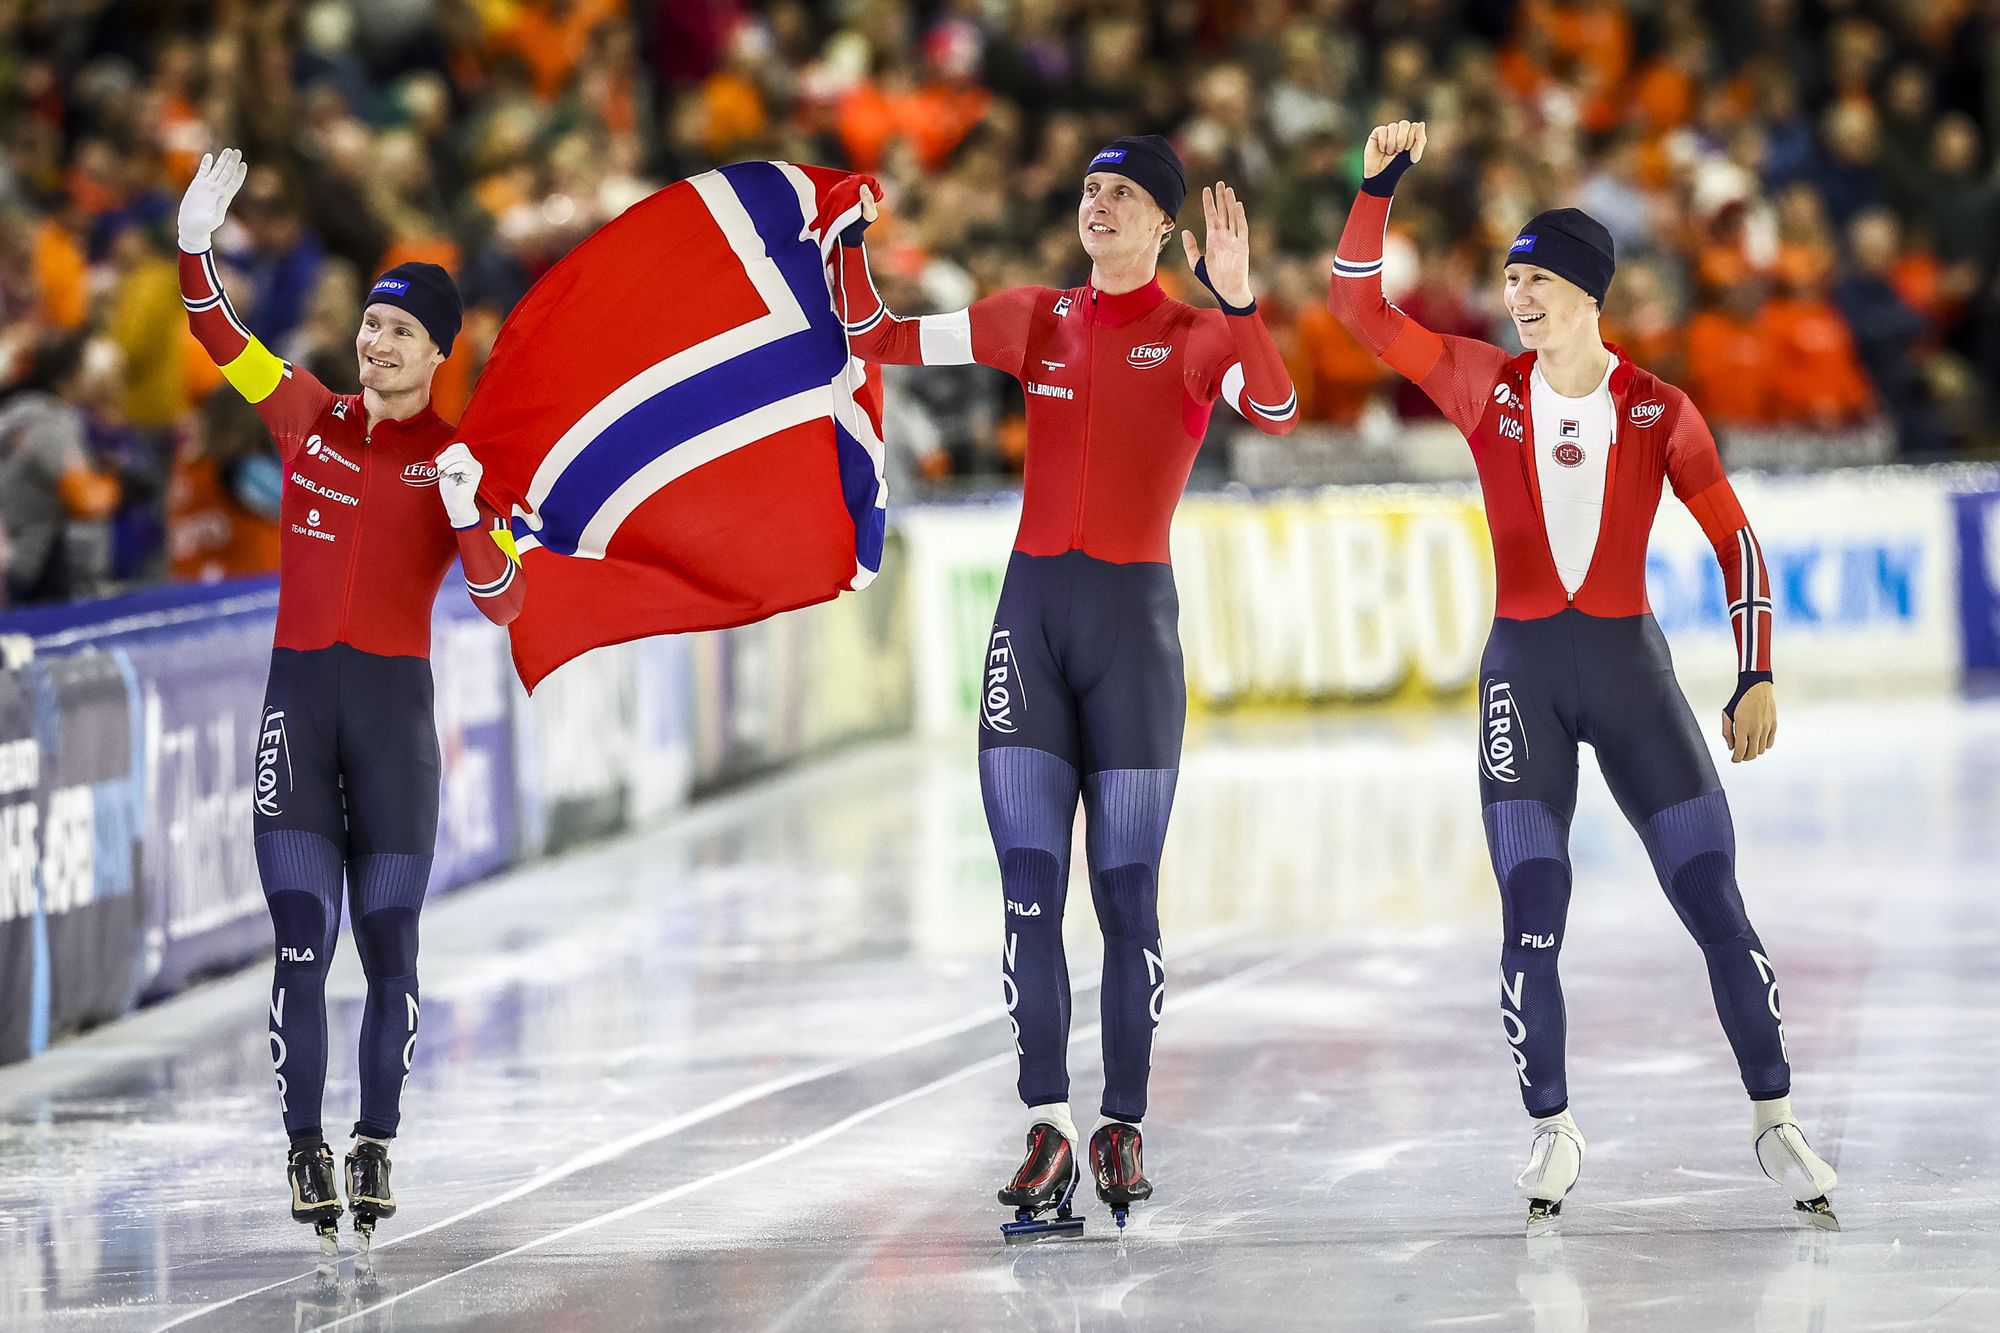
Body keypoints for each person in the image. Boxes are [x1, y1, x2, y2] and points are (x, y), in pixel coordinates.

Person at [1329, 121, 1838, 1233]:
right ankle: (1550, 1126)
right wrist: (1375, 190)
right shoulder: (1480, 383)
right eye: (1510, 278)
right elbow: (1357, 314)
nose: (1518, 297)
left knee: (1711, 899)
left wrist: (1754, 670)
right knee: (1530, 912)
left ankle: (1774, 1116)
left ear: (1587, 294)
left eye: (1539, 280)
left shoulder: (1656, 408)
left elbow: (1735, 541)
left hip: (1627, 670)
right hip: (1521, 676)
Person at [835, 135, 1299, 1235]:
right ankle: (1046, 1127)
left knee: (1124, 897)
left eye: (1123, 195)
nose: (1098, 205)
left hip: (1133, 640)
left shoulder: (1193, 337)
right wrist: (844, 237)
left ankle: (1121, 1123)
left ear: (1165, 230)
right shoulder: (1031, 318)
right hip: (1029, 629)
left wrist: (1237, 302)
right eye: (1090, 189)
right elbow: (876, 334)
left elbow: (1273, 411)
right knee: (1028, 891)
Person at [177, 149, 526, 1252]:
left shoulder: (461, 461)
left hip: (390, 730)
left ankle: (374, 1136)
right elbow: (215, 337)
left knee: (389, 950)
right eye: (371, 324)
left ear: (436, 354)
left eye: (399, 333)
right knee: (298, 943)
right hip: (298, 706)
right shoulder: (302, 414)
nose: (375, 343)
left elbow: (506, 600)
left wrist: (473, 515)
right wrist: (194, 251)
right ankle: (301, 1145)